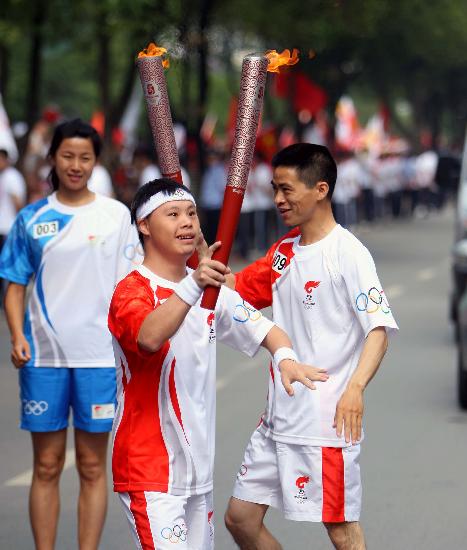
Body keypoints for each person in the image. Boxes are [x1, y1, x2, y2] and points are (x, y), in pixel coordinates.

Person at [108, 178, 328, 550]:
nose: (187, 223)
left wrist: (286, 357)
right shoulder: (132, 290)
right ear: (144, 225)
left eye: (192, 214)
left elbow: (268, 331)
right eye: (173, 214)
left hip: (198, 472)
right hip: (148, 470)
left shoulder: (211, 292)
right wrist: (193, 285)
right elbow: (148, 337)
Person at [224, 143, 398, 550]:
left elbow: (378, 329)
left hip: (325, 422)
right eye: (275, 189)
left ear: (320, 189)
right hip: (277, 417)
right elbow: (235, 291)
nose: (279, 199)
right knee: (241, 519)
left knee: (340, 530)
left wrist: (355, 388)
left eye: (287, 189)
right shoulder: (283, 253)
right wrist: (201, 263)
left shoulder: (348, 253)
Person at [0, 118, 139, 550]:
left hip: (99, 357)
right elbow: (15, 286)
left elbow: (132, 286)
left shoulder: (115, 215)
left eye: (85, 157)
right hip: (43, 358)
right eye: (67, 156)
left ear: (96, 162)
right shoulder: (32, 218)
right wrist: (16, 335)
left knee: (93, 467)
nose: (75, 165)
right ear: (53, 159)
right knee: (46, 464)